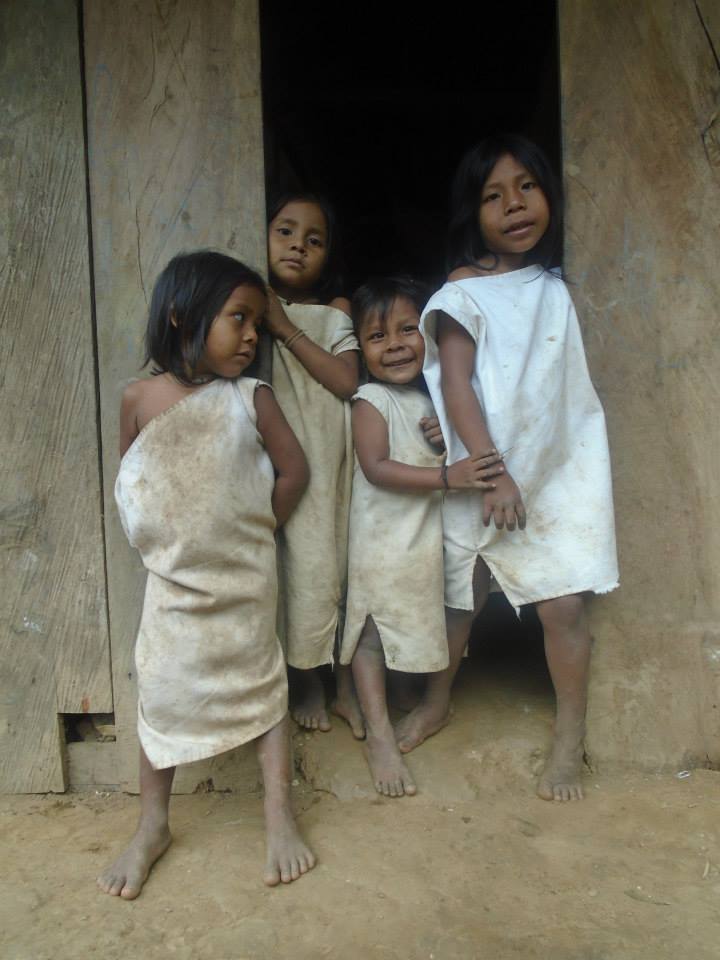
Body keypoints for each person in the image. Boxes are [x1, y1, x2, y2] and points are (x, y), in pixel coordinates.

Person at [399, 134, 619, 802]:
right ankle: (439, 700)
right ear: (474, 214)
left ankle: (568, 739)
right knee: (463, 594)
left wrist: (523, 472)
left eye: (526, 186)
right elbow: (459, 384)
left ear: (550, 193)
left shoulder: (553, 284)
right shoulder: (464, 293)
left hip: (559, 465)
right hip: (489, 466)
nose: (514, 205)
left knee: (563, 609)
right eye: (493, 196)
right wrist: (492, 472)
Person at [98, 251, 314, 899]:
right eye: (238, 319)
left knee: (262, 685)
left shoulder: (252, 397)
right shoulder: (138, 399)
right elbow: (134, 485)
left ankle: (279, 816)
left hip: (244, 582)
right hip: (173, 587)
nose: (252, 335)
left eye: (257, 323)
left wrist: (257, 533)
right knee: (160, 692)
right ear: (180, 315)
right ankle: (152, 825)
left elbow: (294, 472)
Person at [340, 277, 503, 797]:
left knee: (414, 617)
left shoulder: (430, 400)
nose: (394, 346)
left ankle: (405, 695)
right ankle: (380, 736)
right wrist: (446, 475)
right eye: (377, 336)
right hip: (380, 540)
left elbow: (432, 447)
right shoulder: (370, 398)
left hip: (418, 542)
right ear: (361, 351)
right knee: (370, 632)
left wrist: (443, 436)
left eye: (408, 330)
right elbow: (376, 467)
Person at [264, 192, 364, 737]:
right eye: (285, 231)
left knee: (332, 562)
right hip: (279, 452)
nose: (298, 244)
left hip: (327, 456)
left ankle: (341, 680)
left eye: (314, 239)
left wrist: (284, 326)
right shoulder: (246, 303)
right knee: (292, 567)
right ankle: (304, 678)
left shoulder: (337, 311)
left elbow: (346, 381)